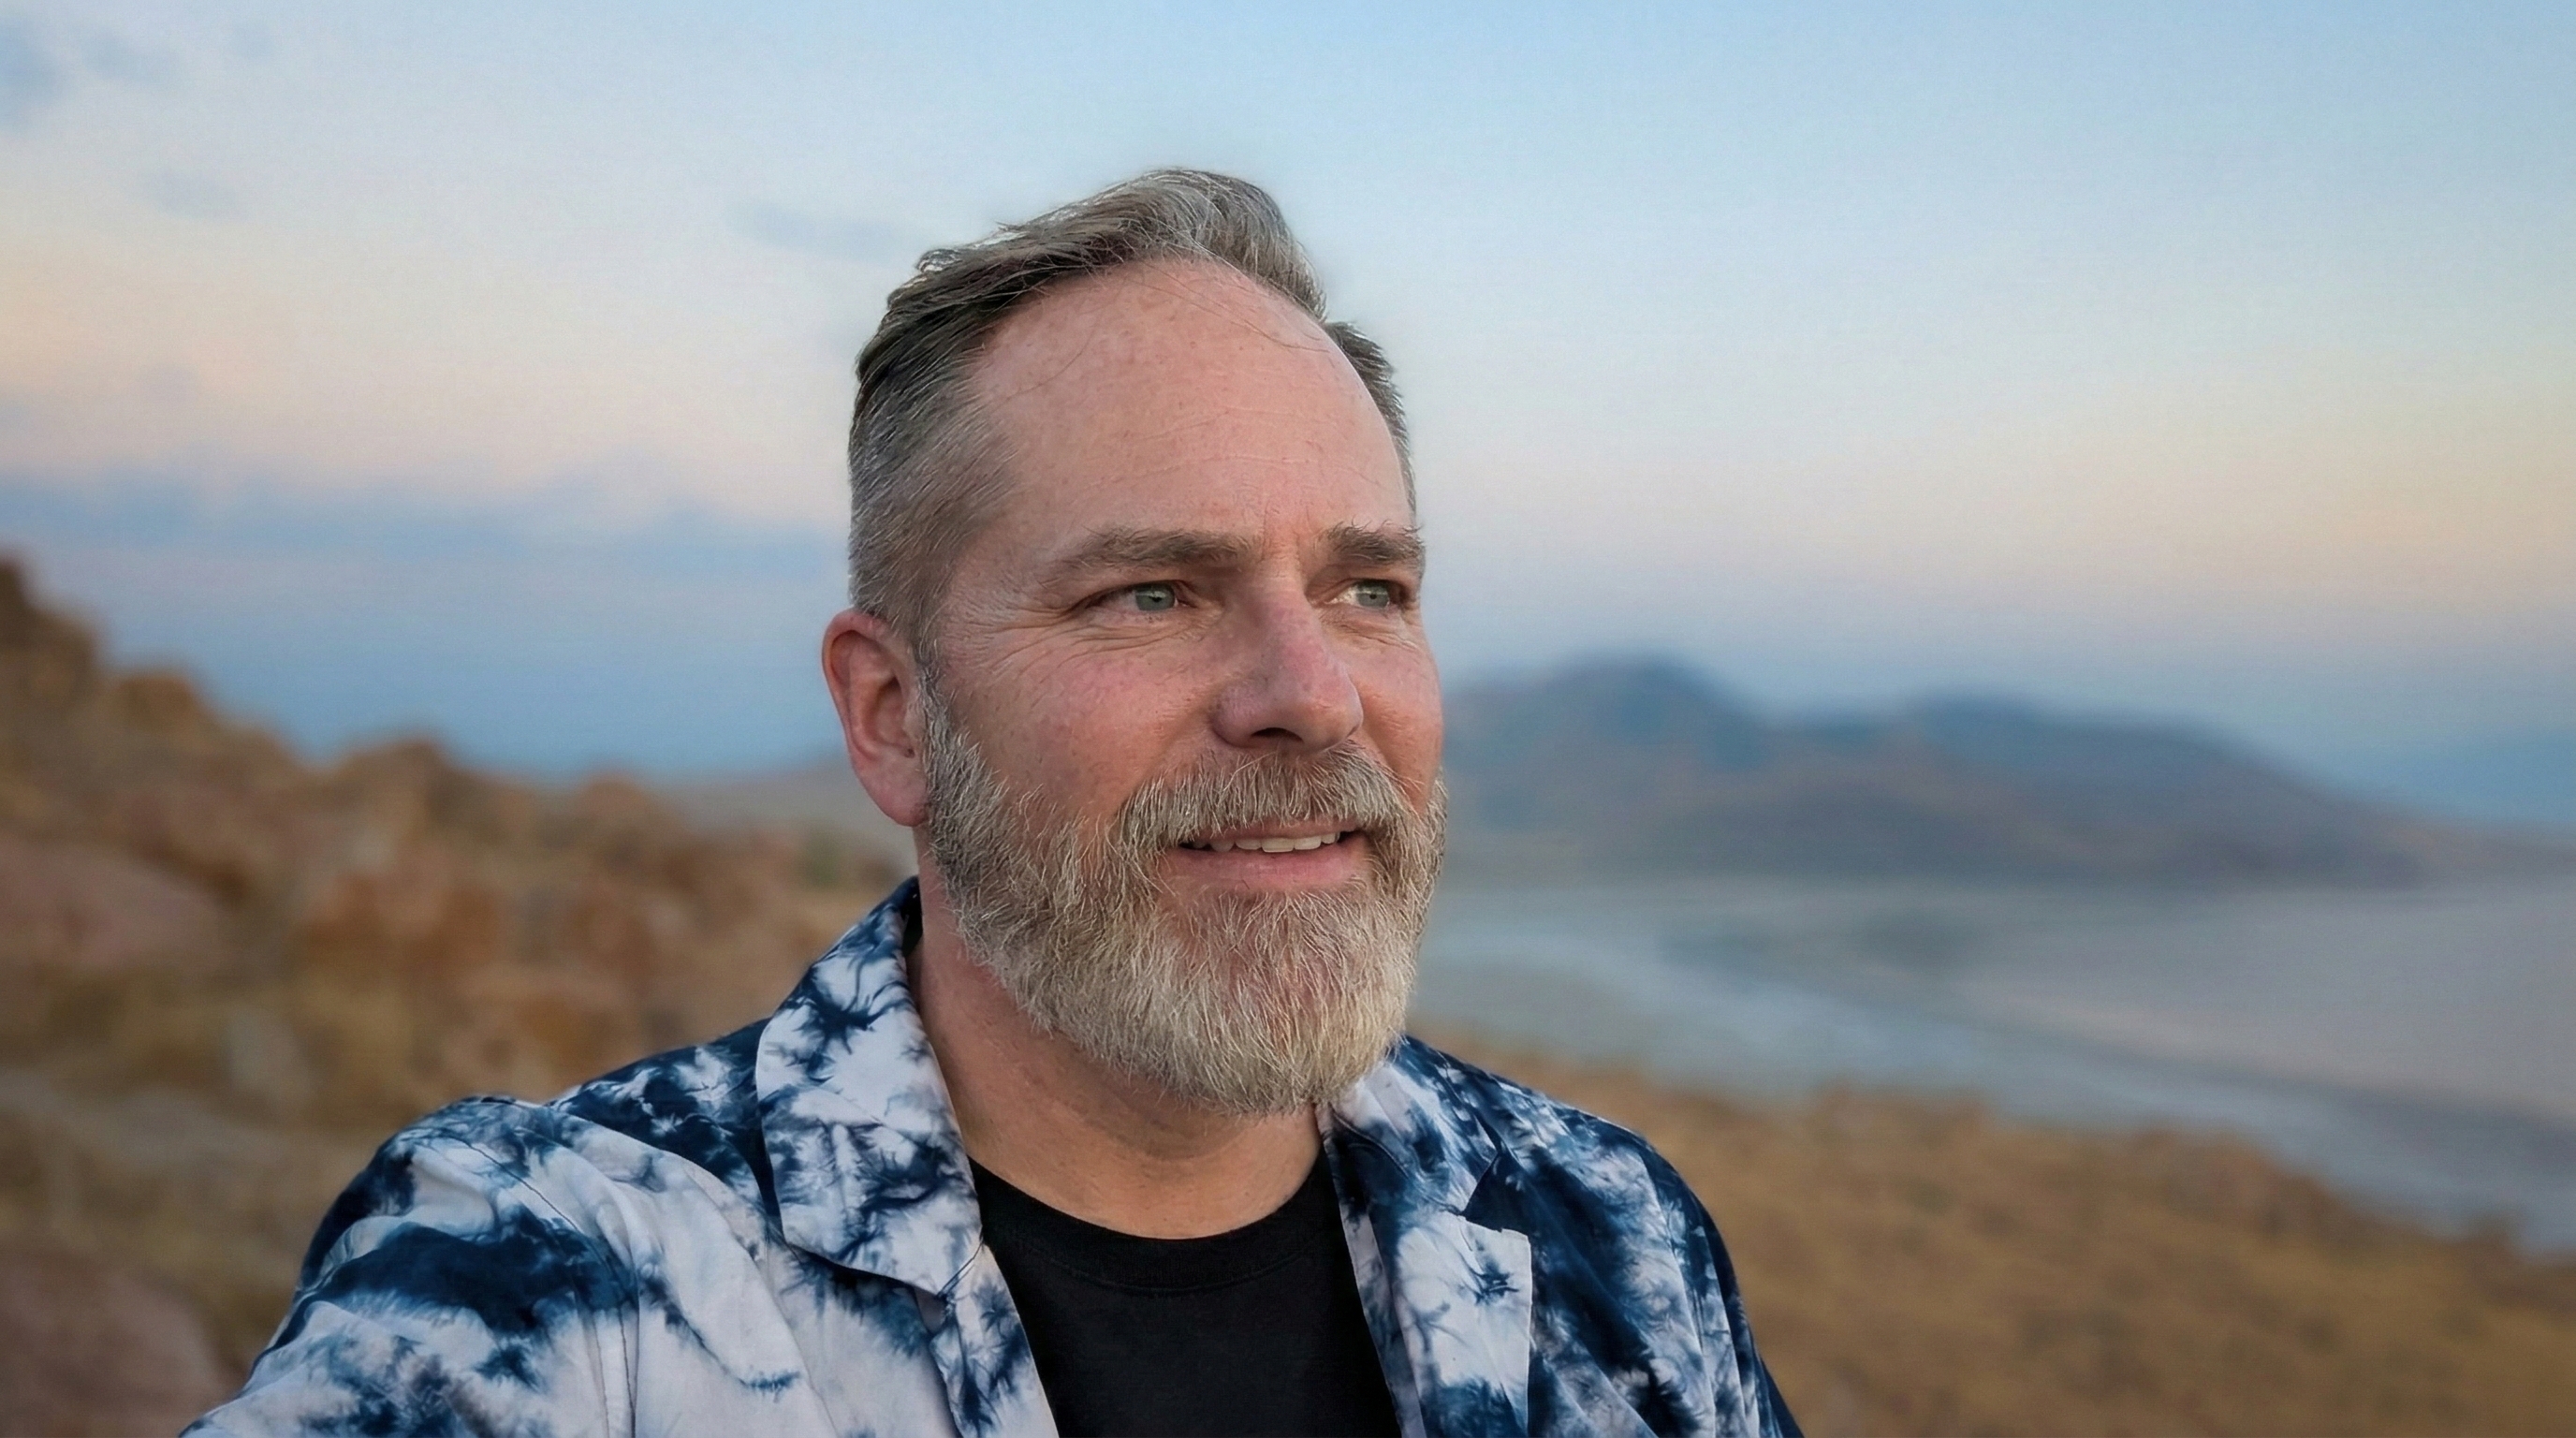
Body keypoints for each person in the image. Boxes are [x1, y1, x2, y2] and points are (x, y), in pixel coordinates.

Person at [188, 170, 1799, 1438]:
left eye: (1368, 588)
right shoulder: (563, 1283)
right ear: (894, 717)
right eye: (1153, 593)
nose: (1313, 693)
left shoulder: (1607, 1240)